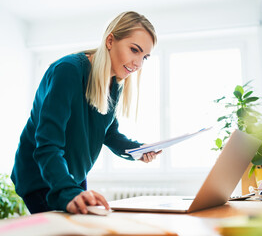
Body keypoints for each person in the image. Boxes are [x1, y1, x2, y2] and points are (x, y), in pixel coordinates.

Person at [11, 11, 162, 215]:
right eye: (134, 50)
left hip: (72, 175)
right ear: (110, 40)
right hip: (42, 176)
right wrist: (68, 191)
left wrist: (138, 150)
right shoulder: (68, 71)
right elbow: (48, 144)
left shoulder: (114, 83)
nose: (138, 63)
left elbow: (108, 133)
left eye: (144, 57)